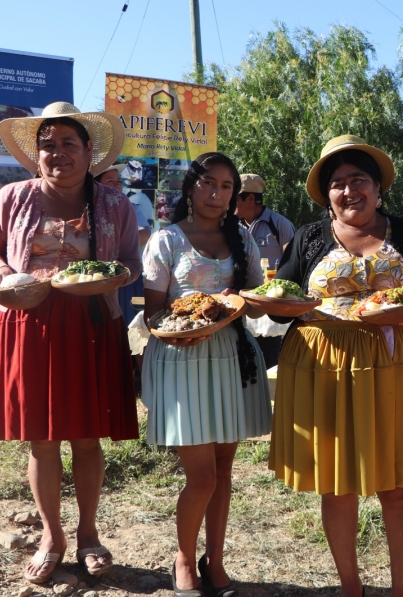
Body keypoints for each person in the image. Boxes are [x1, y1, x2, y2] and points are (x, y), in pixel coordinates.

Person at [268, 135, 403, 597]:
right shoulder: (309, 238)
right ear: (326, 194)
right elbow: (280, 301)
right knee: (337, 485)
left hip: (398, 363)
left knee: (398, 485)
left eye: (358, 180)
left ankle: (401, 591)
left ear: (377, 188)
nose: (349, 191)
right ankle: (351, 588)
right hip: (324, 367)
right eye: (338, 183)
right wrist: (283, 305)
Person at [0, 101, 140, 583]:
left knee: (87, 437)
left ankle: (88, 533)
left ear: (89, 152)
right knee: (42, 440)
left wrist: (113, 277)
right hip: (30, 324)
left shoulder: (115, 205)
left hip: (91, 325)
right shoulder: (13, 196)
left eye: (69, 143)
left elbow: (131, 261)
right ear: (37, 154)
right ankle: (52, 536)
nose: (58, 153)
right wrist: (4, 273)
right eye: (48, 145)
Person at [141, 152, 271, 597]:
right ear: (191, 186)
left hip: (232, 356)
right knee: (202, 478)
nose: (217, 194)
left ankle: (215, 560)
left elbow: (256, 301)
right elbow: (154, 312)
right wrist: (186, 324)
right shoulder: (166, 240)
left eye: (226, 187)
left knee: (223, 471)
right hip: (183, 358)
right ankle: (183, 558)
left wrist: (249, 301)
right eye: (208, 184)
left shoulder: (243, 238)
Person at [235, 173, 295, 367]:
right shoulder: (233, 226)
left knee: (269, 361)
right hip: (240, 301)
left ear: (250, 199)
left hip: (269, 306)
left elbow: (291, 263)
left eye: (235, 197)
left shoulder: (279, 224)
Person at [95, 163, 151, 324]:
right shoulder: (89, 209)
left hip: (126, 274)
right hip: (97, 279)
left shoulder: (130, 207)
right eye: (110, 181)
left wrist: (112, 242)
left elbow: (144, 233)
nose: (117, 185)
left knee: (127, 322)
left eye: (118, 181)